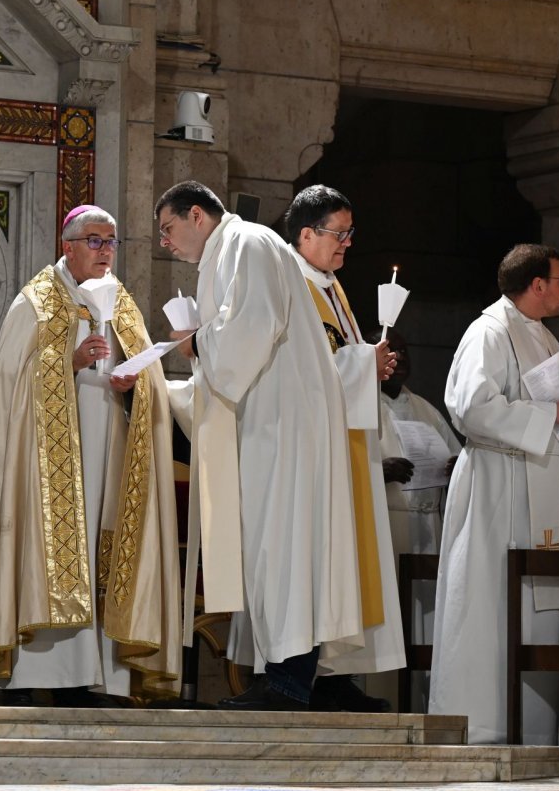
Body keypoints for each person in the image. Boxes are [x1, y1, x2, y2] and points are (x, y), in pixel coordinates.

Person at [0, 205, 181, 706]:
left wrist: (136, 386)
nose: (105, 251)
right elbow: (9, 385)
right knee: (52, 552)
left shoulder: (125, 305)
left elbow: (150, 381)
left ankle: (102, 678)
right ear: (67, 245)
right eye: (95, 241)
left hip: (111, 445)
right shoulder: (36, 303)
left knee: (104, 549)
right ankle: (40, 673)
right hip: (46, 467)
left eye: (112, 241)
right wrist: (67, 363)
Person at [156, 180, 363, 711]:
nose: (164, 242)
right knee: (275, 549)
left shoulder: (249, 243)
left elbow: (253, 328)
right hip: (270, 420)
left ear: (197, 215)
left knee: (286, 546)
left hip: (285, 425)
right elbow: (234, 345)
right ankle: (282, 674)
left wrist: (195, 342)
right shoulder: (231, 253)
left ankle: (289, 682)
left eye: (168, 228)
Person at [429, 243, 559, 744]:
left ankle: (538, 730)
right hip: (498, 492)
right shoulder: (489, 332)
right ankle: (483, 727)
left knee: (537, 610)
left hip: (539, 486)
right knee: (491, 605)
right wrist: (553, 415)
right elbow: (471, 408)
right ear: (537, 284)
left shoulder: (543, 338)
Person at [283, 185, 403, 712]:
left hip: (346, 442)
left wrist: (369, 364)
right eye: (338, 233)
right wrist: (362, 365)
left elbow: (338, 359)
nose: (346, 244)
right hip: (309, 449)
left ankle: (333, 674)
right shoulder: (289, 284)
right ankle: (299, 676)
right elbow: (299, 370)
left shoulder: (331, 287)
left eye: (350, 234)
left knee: (348, 563)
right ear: (305, 234)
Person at [368, 326, 461, 709]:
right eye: (392, 350)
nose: (400, 358)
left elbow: (457, 456)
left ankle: (425, 705)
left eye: (406, 351)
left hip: (428, 529)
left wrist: (458, 467)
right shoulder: (355, 403)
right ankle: (379, 700)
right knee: (384, 620)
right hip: (383, 528)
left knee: (426, 620)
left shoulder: (426, 410)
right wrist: (378, 469)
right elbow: (336, 461)